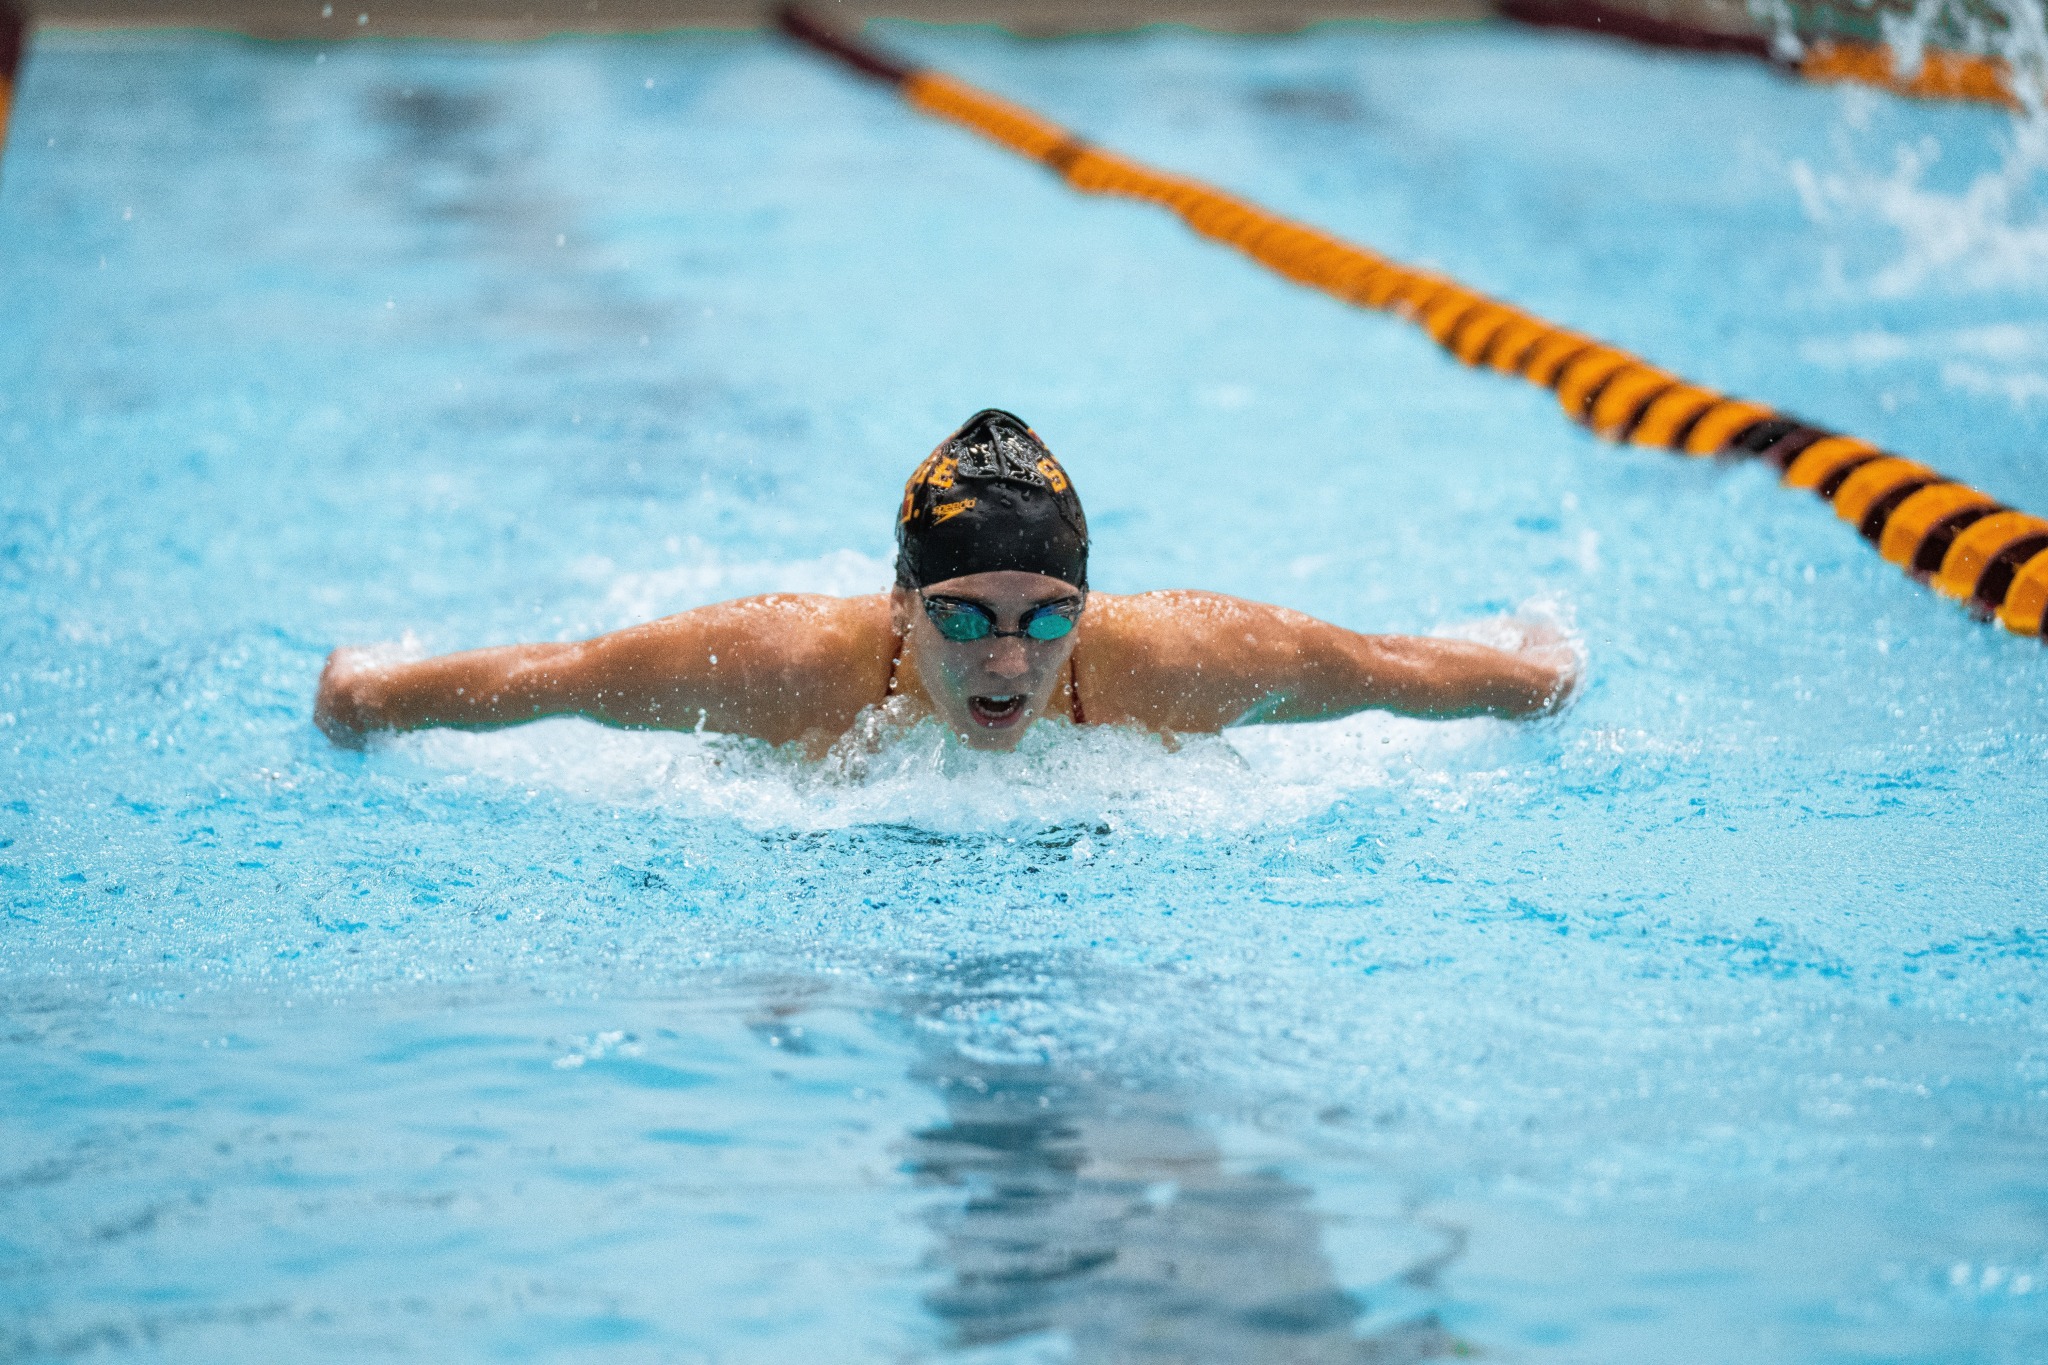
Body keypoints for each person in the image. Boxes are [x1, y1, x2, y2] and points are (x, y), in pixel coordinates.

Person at [314, 409, 1578, 756]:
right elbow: (556, 683)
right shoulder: (782, 668)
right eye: (963, 619)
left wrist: (1536, 674)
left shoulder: (1178, 660)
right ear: (899, 607)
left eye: (1049, 620)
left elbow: (1386, 672)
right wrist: (369, 696)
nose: (1011, 663)